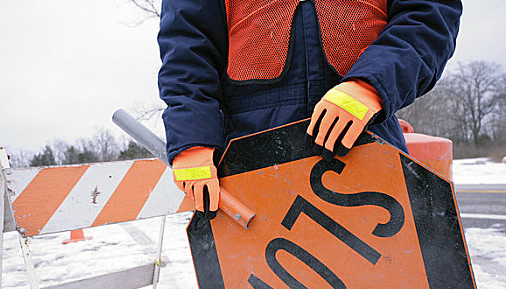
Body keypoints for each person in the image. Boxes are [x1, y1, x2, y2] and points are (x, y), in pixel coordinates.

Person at [158, 0, 462, 218]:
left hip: (368, 139)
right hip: (249, 162)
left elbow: (427, 14)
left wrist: (370, 84)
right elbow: (187, 47)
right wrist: (192, 142)